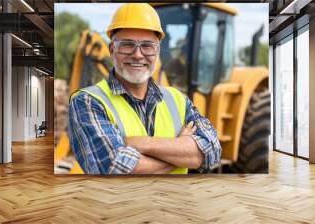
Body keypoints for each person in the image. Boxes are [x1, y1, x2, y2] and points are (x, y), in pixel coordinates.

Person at [68, 3, 221, 174]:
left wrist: (139, 143)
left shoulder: (177, 100)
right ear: (112, 50)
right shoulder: (87, 101)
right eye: (127, 44)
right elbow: (114, 169)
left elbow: (211, 152)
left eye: (147, 46)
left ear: (157, 52)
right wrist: (183, 154)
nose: (138, 54)